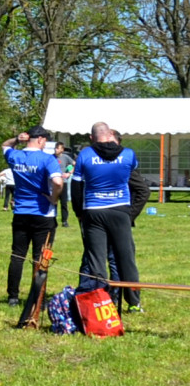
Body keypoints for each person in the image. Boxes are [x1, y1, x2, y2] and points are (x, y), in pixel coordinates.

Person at [71, 121, 143, 311]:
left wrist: (79, 212)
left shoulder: (85, 155)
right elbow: (134, 178)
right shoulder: (128, 154)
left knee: (96, 259)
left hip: (94, 211)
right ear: (110, 134)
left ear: (91, 138)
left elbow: (76, 186)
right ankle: (134, 301)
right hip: (120, 209)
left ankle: (99, 301)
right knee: (126, 258)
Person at [1, 125, 63, 306]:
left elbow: (5, 145)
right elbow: (58, 181)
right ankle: (38, 297)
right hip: (43, 212)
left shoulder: (15, 156)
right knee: (41, 257)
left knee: (17, 255)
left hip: (21, 211)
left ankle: (13, 296)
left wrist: (17, 139)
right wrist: (54, 197)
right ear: (41, 139)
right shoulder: (47, 159)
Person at [55, 141, 74, 227]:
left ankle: (64, 221)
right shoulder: (51, 157)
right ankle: (52, 220)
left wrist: (69, 173)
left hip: (63, 183)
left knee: (64, 203)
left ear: (62, 149)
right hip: (54, 183)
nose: (56, 150)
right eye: (55, 148)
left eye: (57, 148)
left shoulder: (65, 157)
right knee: (53, 202)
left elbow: (75, 164)